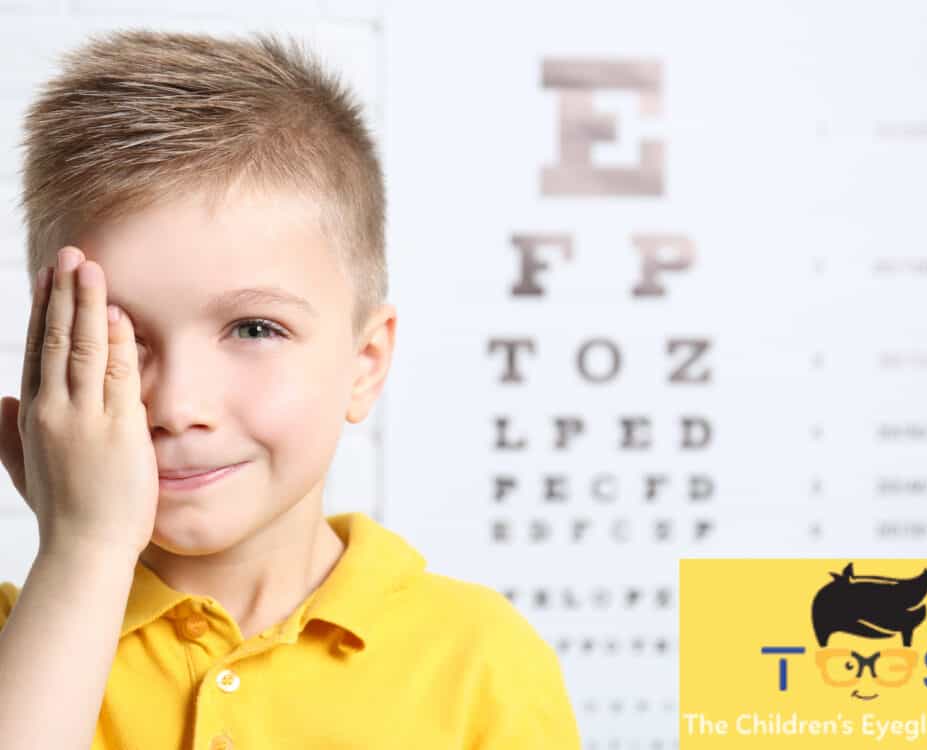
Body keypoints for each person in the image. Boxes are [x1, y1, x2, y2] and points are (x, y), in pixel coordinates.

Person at [0, 29, 581, 749]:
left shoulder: (478, 660)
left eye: (253, 329)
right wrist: (83, 550)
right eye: (124, 339)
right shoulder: (15, 649)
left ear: (364, 363)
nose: (179, 406)